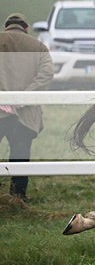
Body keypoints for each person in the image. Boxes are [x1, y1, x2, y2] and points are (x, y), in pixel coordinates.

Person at [0, 14, 54, 202]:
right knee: (20, 155)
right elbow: (47, 74)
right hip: (26, 113)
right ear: (26, 28)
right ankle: (18, 198)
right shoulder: (38, 47)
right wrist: (24, 97)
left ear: (6, 27)